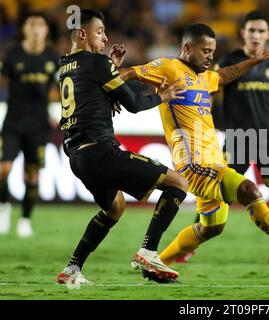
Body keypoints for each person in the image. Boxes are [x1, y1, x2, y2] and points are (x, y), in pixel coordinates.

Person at [120, 23, 269, 281]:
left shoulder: (205, 77)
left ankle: (156, 262)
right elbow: (127, 73)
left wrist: (256, 60)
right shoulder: (168, 67)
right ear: (187, 48)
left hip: (213, 160)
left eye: (213, 51)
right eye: (205, 51)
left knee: (212, 227)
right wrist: (108, 94)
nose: (211, 56)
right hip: (194, 164)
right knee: (249, 190)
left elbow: (227, 73)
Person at [55, 9, 188, 285]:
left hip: (78, 157)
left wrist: (111, 70)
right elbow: (134, 105)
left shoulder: (64, 65)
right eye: (100, 31)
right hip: (102, 152)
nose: (105, 38)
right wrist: (161, 95)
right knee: (178, 183)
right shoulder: (97, 63)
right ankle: (149, 251)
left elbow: (91, 95)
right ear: (82, 34)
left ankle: (72, 269)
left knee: (114, 207)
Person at [182, 11, 269, 265]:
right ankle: (188, 247)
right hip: (238, 137)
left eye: (260, 31)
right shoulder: (229, 61)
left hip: (267, 136)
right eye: (251, 31)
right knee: (215, 191)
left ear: (268, 34)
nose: (256, 35)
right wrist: (201, 124)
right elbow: (209, 91)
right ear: (243, 33)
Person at [0, 11, 59, 237]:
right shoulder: (12, 55)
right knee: (3, 169)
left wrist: (55, 112)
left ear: (45, 30)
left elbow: (63, 90)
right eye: (31, 24)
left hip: (39, 124)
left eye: (40, 25)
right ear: (24, 29)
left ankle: (25, 220)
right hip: (13, 121)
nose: (36, 28)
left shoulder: (53, 58)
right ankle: (4, 207)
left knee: (32, 175)